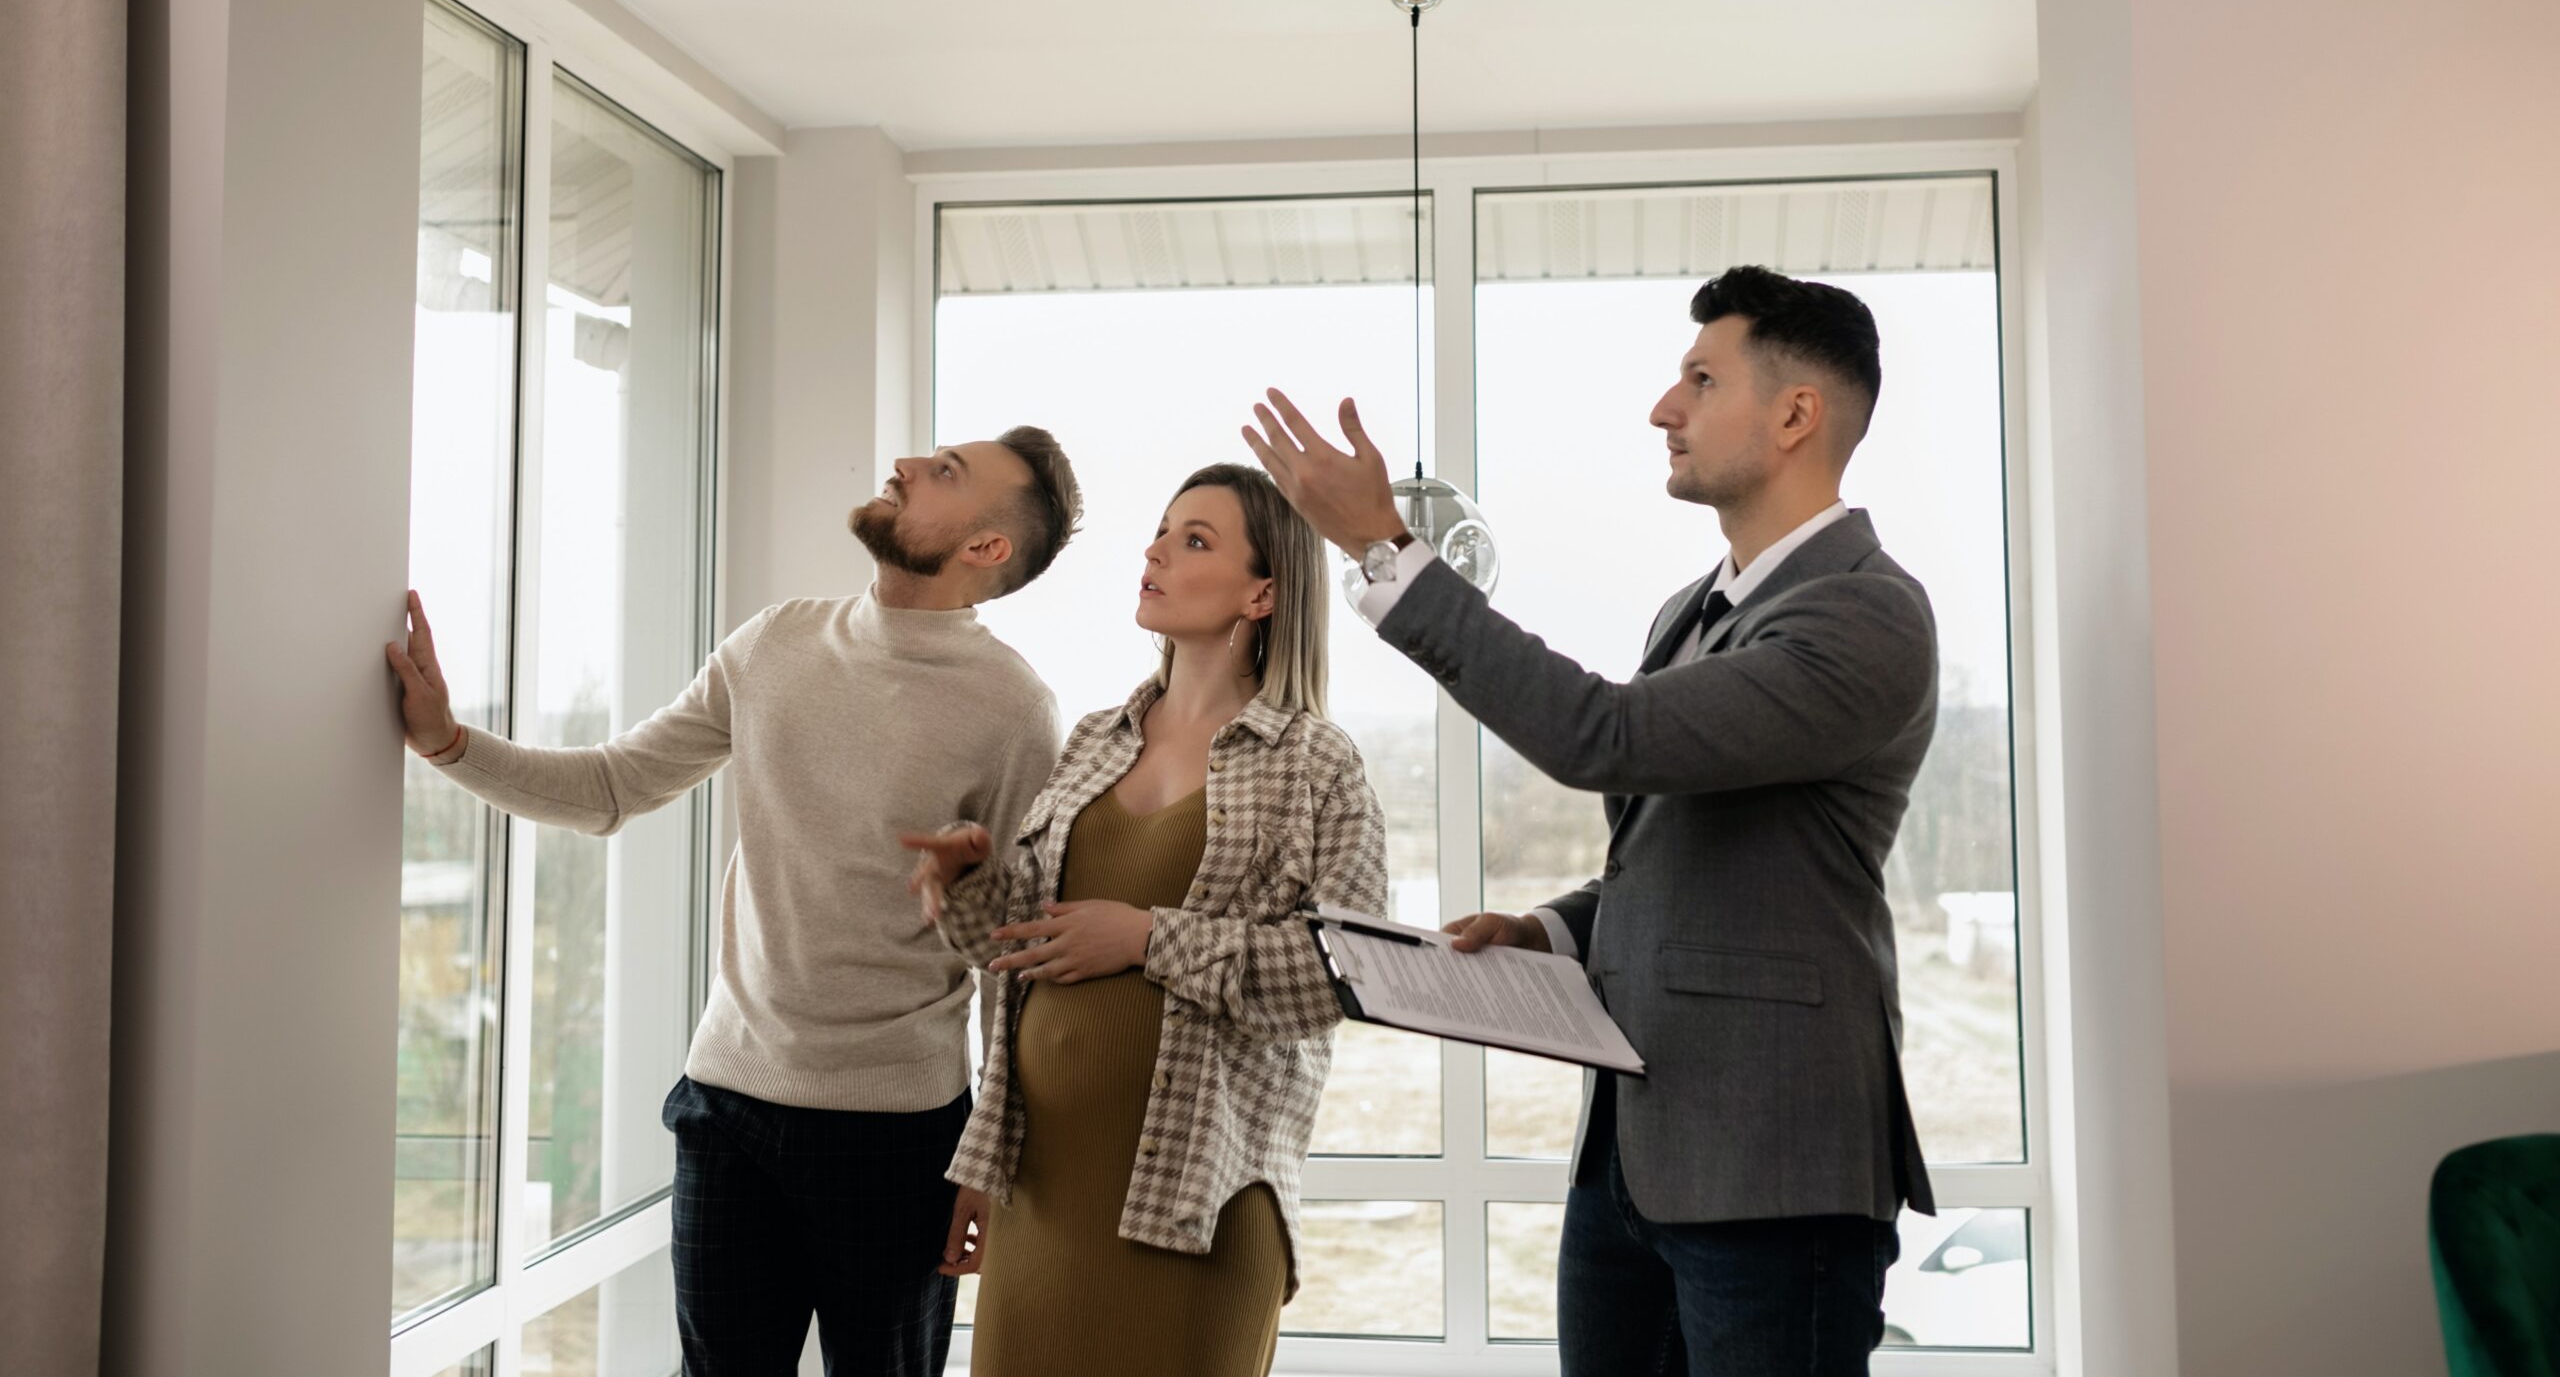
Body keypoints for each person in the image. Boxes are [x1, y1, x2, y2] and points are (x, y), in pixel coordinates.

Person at [1245, 265, 1939, 1377]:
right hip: (1631, 1158)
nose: (1664, 407)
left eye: (1699, 379)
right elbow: (1686, 849)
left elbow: (1601, 738)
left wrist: (1387, 552)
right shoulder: (1693, 610)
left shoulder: (1866, 613)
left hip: (1773, 1171)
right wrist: (1553, 932)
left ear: (1796, 413)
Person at [384, 430, 1082, 1377]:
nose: (909, 463)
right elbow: (616, 783)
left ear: (987, 547)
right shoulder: (776, 641)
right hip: (727, 1106)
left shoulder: (1014, 711)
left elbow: (1012, 959)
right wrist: (448, 743)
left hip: (899, 1132)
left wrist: (988, 1164)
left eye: (946, 473)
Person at [900, 462, 1386, 1377]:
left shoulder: (1318, 765)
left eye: (1194, 539)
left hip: (1194, 1213)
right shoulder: (1094, 738)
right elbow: (1022, 950)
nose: (1157, 549)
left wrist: (1146, 937)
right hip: (1039, 1198)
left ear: (1264, 590)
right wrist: (971, 887)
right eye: (1162, 530)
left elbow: (1346, 973)